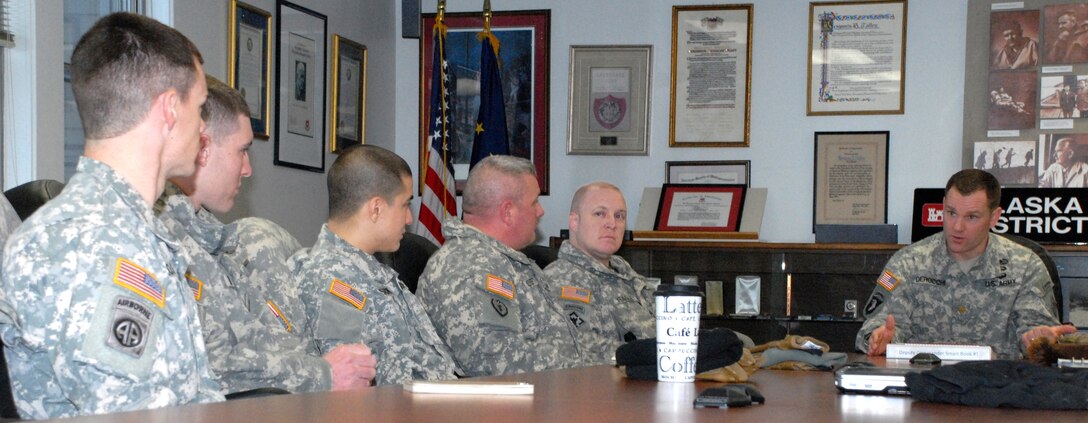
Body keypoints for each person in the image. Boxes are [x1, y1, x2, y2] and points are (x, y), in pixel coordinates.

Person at [0, 13, 222, 418]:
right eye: (201, 107)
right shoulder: (91, 244)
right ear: (170, 109)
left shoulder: (125, 231)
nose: (204, 127)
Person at [156, 76, 376, 394]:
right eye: (242, 151)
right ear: (203, 146)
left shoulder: (212, 239)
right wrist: (321, 374)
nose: (247, 169)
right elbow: (206, 363)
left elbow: (258, 340)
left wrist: (328, 367)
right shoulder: (161, 236)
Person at [856, 169, 1075, 360]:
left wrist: (1038, 342)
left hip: (999, 389)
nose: (957, 227)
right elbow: (875, 328)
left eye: (972, 217)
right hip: (923, 385)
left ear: (994, 217)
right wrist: (878, 339)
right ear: (942, 206)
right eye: (951, 213)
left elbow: (1038, 337)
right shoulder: (907, 261)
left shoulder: (1026, 266)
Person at [291, 145, 460, 385]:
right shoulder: (329, 279)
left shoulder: (371, 271)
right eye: (405, 204)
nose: (410, 218)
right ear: (376, 208)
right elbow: (358, 384)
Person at [416, 155, 581, 376]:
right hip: (505, 406)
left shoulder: (503, 260)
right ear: (508, 212)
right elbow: (498, 364)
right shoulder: (469, 266)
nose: (540, 211)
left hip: (549, 393)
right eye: (534, 202)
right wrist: (583, 369)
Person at [543, 182, 656, 365]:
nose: (612, 224)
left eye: (619, 216)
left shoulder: (626, 273)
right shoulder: (561, 281)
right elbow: (584, 352)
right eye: (600, 214)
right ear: (574, 221)